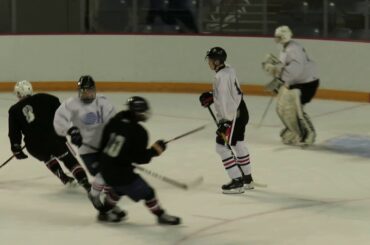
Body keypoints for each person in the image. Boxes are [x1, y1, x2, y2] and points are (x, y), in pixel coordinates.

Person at [94, 96, 181, 225]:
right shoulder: (139, 132)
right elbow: (140, 158)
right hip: (120, 172)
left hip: (105, 167)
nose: (144, 114)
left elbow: (103, 144)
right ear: (136, 113)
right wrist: (154, 151)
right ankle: (160, 215)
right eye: (142, 112)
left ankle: (104, 212)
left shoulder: (115, 121)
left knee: (118, 190)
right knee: (148, 193)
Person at [53, 75, 122, 214]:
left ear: (94, 90)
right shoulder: (71, 104)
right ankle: (98, 197)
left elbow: (115, 122)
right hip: (87, 150)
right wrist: (71, 130)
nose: (87, 94)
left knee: (110, 177)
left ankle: (108, 206)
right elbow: (58, 121)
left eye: (89, 90)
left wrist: (115, 139)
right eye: (84, 91)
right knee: (104, 174)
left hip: (104, 148)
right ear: (79, 91)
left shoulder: (103, 102)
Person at [8, 80, 90, 191]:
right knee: (69, 160)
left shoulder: (14, 110)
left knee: (47, 158)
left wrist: (16, 147)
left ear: (18, 94)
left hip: (34, 145)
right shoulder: (47, 98)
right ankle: (85, 182)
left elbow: (14, 132)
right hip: (55, 139)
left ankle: (64, 178)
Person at [199, 47, 254, 194]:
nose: (208, 62)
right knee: (239, 143)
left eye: (210, 60)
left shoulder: (219, 78)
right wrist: (213, 95)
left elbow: (225, 101)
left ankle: (237, 181)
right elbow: (228, 92)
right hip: (241, 111)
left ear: (217, 61)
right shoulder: (229, 69)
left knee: (221, 147)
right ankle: (247, 179)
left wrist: (225, 122)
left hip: (232, 115)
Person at [262, 25, 319, 146]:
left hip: (305, 84)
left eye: (278, 37)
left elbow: (295, 70)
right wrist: (276, 69)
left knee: (296, 110)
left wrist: (277, 72)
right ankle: (294, 130)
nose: (276, 40)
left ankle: (308, 133)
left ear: (283, 37)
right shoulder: (287, 48)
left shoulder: (293, 49)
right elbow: (286, 68)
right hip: (297, 83)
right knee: (282, 108)